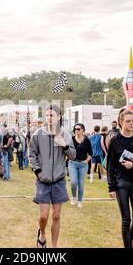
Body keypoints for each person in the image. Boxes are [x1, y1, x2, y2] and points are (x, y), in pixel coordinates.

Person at [29, 104, 76, 248]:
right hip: (43, 180)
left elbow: (73, 155)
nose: (49, 118)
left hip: (59, 180)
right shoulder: (38, 134)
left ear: (59, 117)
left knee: (56, 215)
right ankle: (42, 235)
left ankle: (54, 247)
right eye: (47, 115)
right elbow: (32, 155)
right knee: (44, 216)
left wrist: (65, 145)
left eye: (52, 115)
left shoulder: (66, 134)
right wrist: (38, 171)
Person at [107, 109, 133, 248]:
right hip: (121, 183)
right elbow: (111, 165)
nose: (131, 124)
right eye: (128, 121)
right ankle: (128, 246)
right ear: (120, 122)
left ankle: (128, 239)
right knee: (126, 219)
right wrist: (111, 187)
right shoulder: (115, 141)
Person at [68, 123, 92, 208]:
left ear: (82, 130)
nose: (76, 131)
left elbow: (90, 153)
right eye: (75, 129)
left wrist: (86, 161)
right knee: (74, 182)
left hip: (82, 165)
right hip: (72, 163)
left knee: (81, 183)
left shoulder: (86, 140)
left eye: (78, 129)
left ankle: (80, 201)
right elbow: (67, 150)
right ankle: (74, 197)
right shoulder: (71, 139)